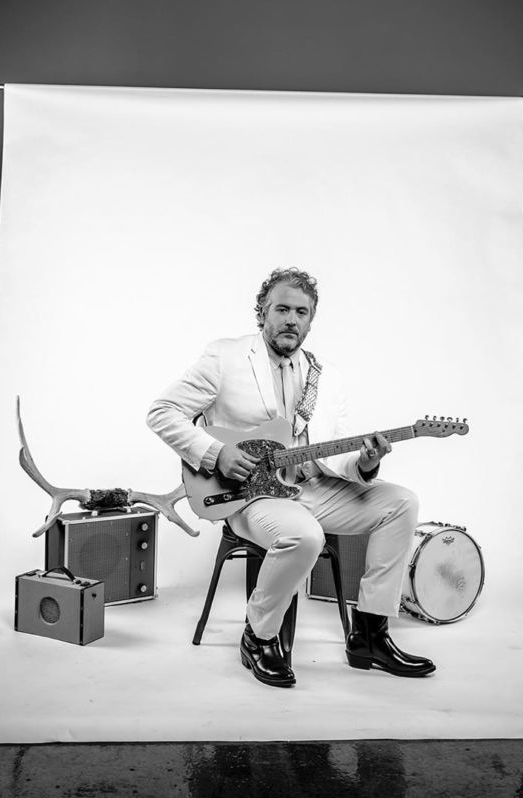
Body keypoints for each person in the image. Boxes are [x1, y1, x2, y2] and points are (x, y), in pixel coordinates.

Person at [147, 268, 434, 687]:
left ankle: (370, 634)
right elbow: (162, 413)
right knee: (305, 536)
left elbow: (334, 452)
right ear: (262, 312)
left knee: (402, 502)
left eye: (301, 312)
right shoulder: (225, 357)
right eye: (281, 309)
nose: (291, 320)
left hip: (313, 488)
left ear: (311, 320)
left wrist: (365, 462)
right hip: (248, 495)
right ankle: (259, 636)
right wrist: (217, 453)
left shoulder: (327, 376)